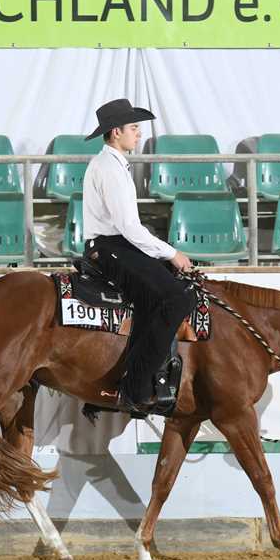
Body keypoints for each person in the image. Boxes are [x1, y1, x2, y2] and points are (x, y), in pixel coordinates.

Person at [81, 98, 196, 412]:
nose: (139, 133)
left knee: (157, 299)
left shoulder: (113, 165)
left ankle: (130, 378)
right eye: (133, 128)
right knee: (177, 299)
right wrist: (172, 253)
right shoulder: (110, 168)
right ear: (116, 132)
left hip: (116, 245)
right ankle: (136, 388)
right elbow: (129, 227)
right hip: (110, 248)